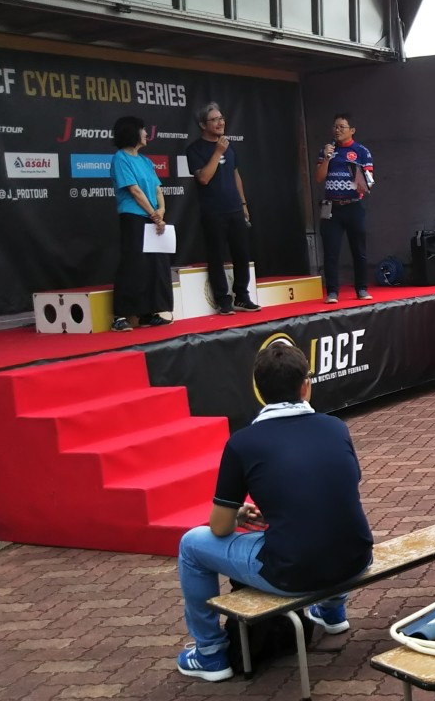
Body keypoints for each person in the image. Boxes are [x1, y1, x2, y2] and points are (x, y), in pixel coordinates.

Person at [175, 344, 373, 682]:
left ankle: (210, 653)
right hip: (357, 559)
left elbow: (219, 528)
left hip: (292, 574)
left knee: (191, 545)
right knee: (332, 523)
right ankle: (332, 611)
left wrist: (239, 516)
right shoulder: (335, 427)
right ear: (305, 386)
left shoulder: (243, 442)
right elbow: (339, 489)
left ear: (258, 390)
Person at [185, 102, 260, 315]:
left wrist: (243, 203)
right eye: (214, 120)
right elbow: (204, 178)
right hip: (213, 211)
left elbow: (235, 174)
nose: (220, 123)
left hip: (234, 208)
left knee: (242, 254)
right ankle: (222, 300)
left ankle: (242, 296)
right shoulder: (195, 149)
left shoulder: (229, 145)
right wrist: (218, 152)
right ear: (203, 125)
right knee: (216, 256)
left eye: (221, 118)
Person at [109, 115, 173, 332]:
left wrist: (161, 211)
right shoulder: (120, 158)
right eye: (143, 130)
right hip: (134, 217)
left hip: (153, 218)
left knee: (154, 265)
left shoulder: (145, 161)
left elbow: (157, 188)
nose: (146, 134)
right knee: (134, 264)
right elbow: (134, 191)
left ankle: (149, 313)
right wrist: (154, 214)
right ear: (132, 132)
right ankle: (120, 316)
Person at [313, 113, 374, 304]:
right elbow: (319, 178)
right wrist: (327, 158)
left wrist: (356, 174)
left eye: (342, 127)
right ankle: (332, 292)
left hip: (353, 206)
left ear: (352, 130)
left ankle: (361, 289)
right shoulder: (326, 150)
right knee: (331, 251)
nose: (337, 130)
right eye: (335, 127)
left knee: (359, 250)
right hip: (332, 208)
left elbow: (368, 185)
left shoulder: (362, 151)